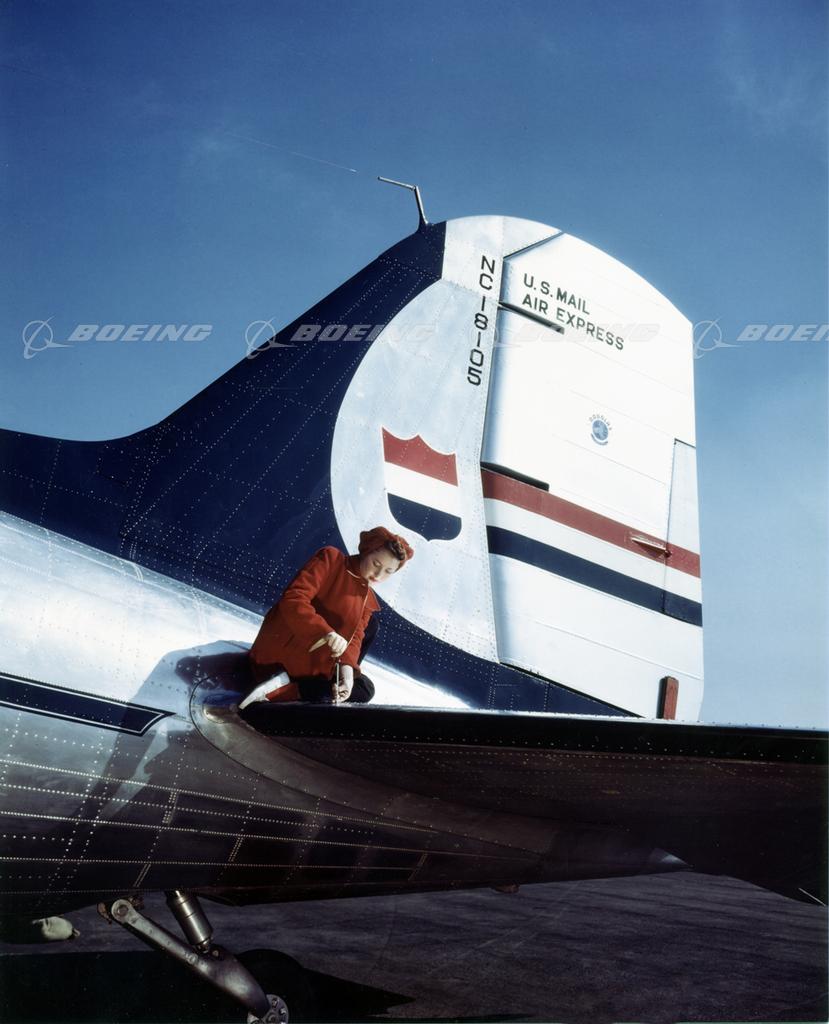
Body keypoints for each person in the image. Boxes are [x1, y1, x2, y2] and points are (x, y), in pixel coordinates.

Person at [240, 526, 413, 708]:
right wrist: (325, 632)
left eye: (388, 571)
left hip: (313, 660)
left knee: (364, 687)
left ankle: (291, 689)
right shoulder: (332, 559)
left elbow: (355, 638)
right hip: (285, 649)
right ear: (366, 552)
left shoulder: (366, 597)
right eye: (376, 564)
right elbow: (294, 599)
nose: (378, 575)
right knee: (338, 688)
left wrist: (347, 674)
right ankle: (283, 690)